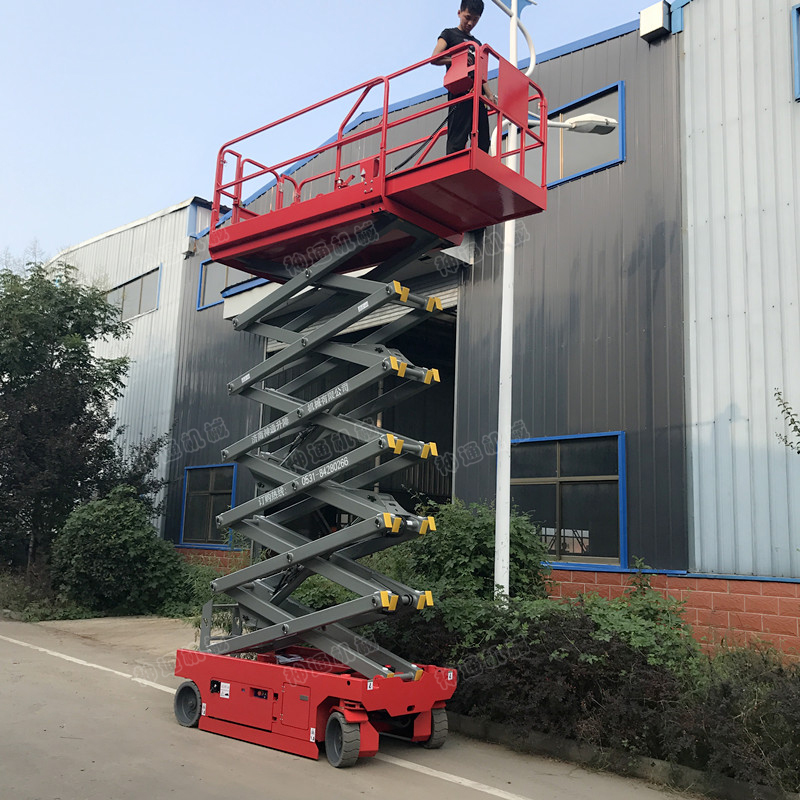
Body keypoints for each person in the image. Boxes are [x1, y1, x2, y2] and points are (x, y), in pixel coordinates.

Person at [432, 0, 497, 155]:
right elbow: (435, 58)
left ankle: (478, 162)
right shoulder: (449, 34)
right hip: (459, 92)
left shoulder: (477, 43)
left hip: (477, 94)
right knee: (457, 138)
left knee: (483, 139)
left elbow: (481, 73)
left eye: (475, 20)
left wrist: (489, 94)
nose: (470, 23)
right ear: (459, 13)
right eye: (467, 17)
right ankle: (453, 163)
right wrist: (456, 59)